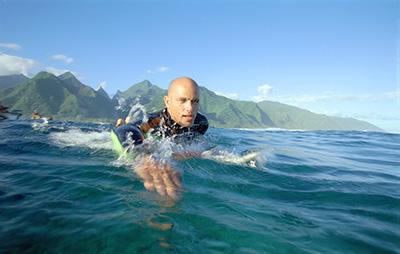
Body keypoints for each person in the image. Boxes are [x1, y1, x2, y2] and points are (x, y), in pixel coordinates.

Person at [114, 77, 208, 199]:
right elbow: (124, 131)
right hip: (142, 132)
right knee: (127, 125)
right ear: (167, 101)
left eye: (195, 101)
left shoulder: (201, 123)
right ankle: (122, 121)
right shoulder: (155, 121)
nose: (190, 108)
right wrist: (143, 157)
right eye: (182, 100)